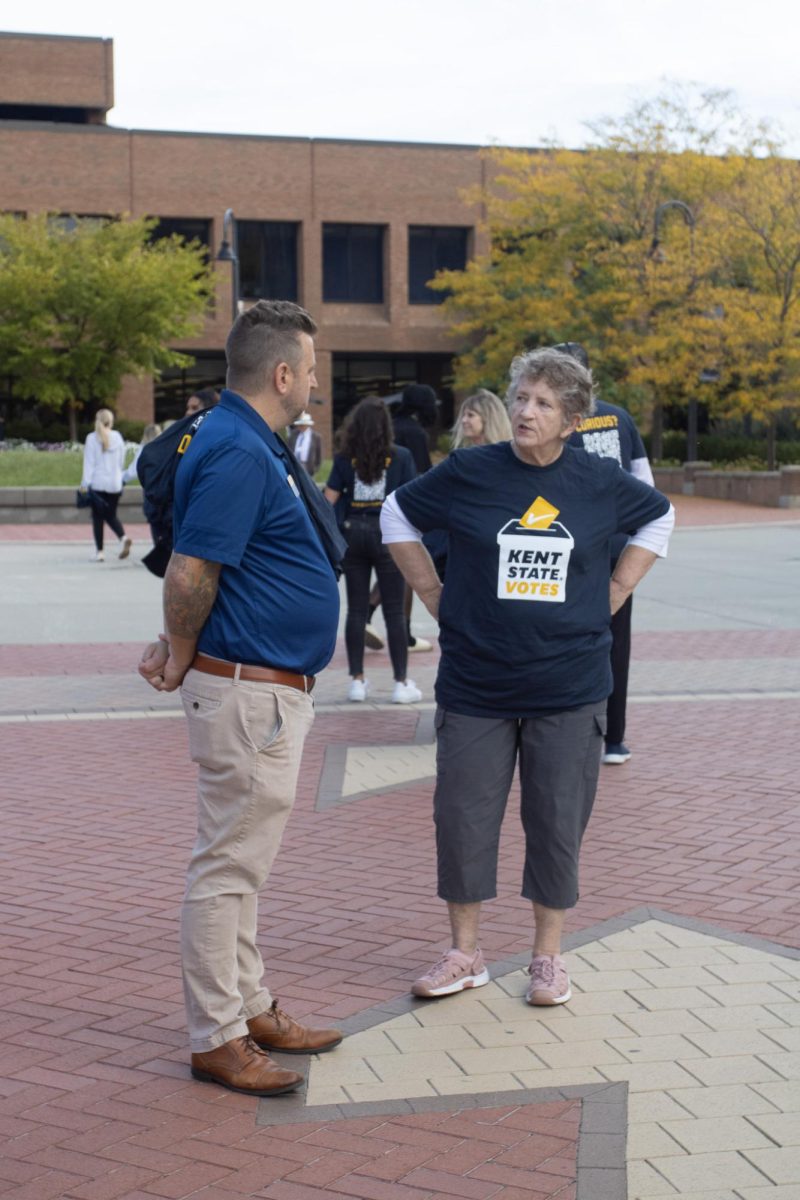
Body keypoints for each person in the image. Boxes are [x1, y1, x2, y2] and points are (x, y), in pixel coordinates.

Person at [380, 347, 674, 1006]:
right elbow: (395, 514)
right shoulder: (470, 471)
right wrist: (431, 592)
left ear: (571, 420)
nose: (524, 411)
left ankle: (547, 958)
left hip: (568, 687)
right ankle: (465, 953)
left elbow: (660, 514)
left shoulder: (596, 482)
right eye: (519, 397)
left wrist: (619, 586)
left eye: (542, 403)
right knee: (461, 819)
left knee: (556, 823)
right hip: (476, 683)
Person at [137, 300, 344, 1097]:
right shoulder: (235, 449)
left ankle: (249, 1006)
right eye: (313, 369)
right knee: (226, 867)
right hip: (246, 693)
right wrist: (181, 651)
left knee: (242, 863)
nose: (316, 384)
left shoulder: (247, 441)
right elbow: (193, 568)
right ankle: (216, 1034)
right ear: (282, 373)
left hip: (264, 689)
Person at [556, 342, 655, 766]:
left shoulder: (559, 423)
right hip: (618, 545)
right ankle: (614, 738)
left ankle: (565, 729)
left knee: (566, 635)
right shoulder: (621, 417)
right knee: (617, 641)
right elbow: (646, 485)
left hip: (577, 545)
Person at [324, 397, 420, 704]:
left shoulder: (343, 459)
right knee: (394, 612)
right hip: (387, 537)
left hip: (353, 535)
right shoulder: (401, 457)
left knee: (355, 610)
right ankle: (401, 682)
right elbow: (410, 500)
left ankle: (357, 680)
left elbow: (328, 500)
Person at [367, 383, 437, 653]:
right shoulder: (414, 432)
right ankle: (386, 623)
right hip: (405, 510)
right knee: (406, 566)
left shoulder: (390, 426)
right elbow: (423, 476)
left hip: (374, 507)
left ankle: (373, 617)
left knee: (397, 568)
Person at [80, 408, 133, 562]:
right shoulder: (118, 437)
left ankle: (100, 552)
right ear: (111, 421)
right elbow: (121, 461)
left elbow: (89, 463)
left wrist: (85, 484)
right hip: (115, 483)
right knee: (111, 515)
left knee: (98, 518)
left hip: (98, 483)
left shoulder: (91, 438)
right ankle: (123, 538)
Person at [122, 422, 162, 544]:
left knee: (154, 522)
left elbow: (134, 470)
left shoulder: (145, 449)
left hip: (150, 490)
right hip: (167, 489)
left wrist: (122, 479)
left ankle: (158, 551)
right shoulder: (166, 446)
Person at [288, 410, 322, 476]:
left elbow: (319, 454)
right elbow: (289, 447)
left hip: (307, 465)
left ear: (307, 425)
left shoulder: (316, 437)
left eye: (303, 425)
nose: (301, 426)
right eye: (300, 424)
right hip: (294, 464)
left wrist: (316, 467)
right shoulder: (293, 435)